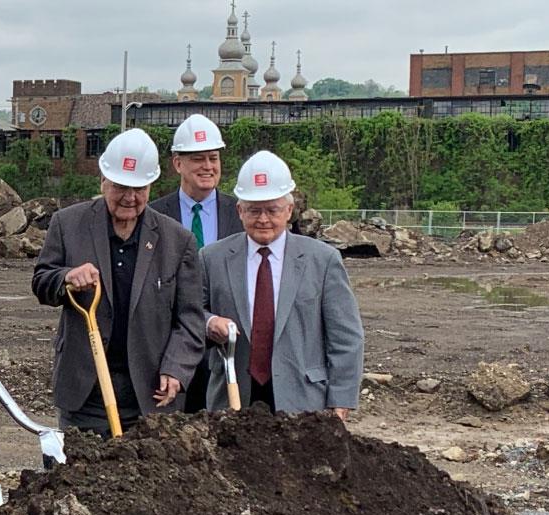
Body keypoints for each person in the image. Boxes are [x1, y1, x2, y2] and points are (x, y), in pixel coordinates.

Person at [32, 128, 204, 435]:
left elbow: (190, 318)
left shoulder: (177, 240)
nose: (130, 197)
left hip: (150, 396)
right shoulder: (68, 224)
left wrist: (176, 369)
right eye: (120, 187)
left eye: (139, 189)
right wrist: (66, 278)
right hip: (85, 392)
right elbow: (42, 282)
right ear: (103, 181)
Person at [201, 151, 364, 416]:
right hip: (233, 399)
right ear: (239, 210)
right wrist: (209, 323)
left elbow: (346, 337)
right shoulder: (212, 258)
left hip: (303, 400)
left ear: (289, 210)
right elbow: (190, 313)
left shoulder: (323, 260)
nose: (263, 219)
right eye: (254, 210)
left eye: (272, 209)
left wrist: (341, 400)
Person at [147, 113, 243, 413]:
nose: (208, 166)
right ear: (178, 164)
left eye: (213, 158)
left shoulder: (241, 214)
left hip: (228, 351)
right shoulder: (153, 217)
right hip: (171, 351)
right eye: (198, 159)